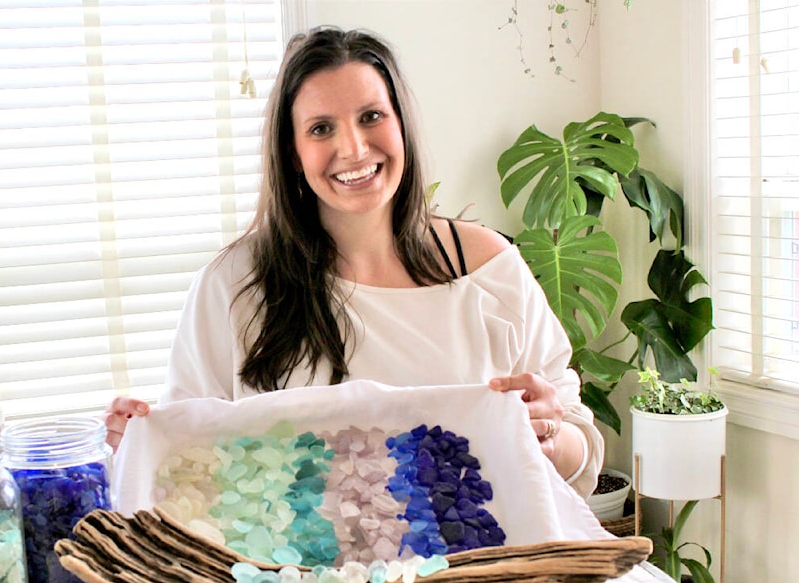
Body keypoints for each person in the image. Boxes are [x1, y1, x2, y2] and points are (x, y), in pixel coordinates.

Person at [104, 26, 603, 499]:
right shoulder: (233, 285)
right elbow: (190, 468)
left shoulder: (489, 269)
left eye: (371, 117)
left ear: (401, 123)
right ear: (293, 153)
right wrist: (140, 448)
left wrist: (551, 437)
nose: (354, 149)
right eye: (322, 128)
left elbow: (580, 451)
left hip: (478, 570)